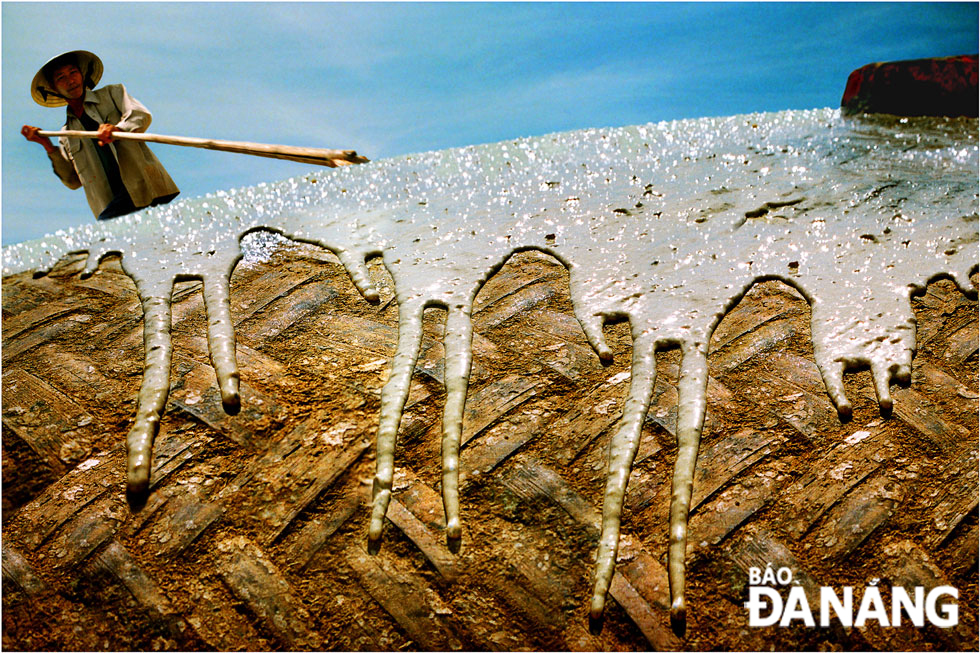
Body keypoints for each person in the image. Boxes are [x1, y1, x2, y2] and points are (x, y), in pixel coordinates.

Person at [21, 50, 179, 220]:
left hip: (146, 187)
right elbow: (73, 181)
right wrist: (47, 145)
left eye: (73, 73)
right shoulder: (66, 134)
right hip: (111, 202)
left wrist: (118, 130)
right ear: (54, 88)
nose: (70, 81)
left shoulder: (113, 93)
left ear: (82, 75)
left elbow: (141, 115)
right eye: (61, 78)